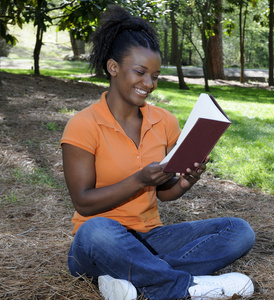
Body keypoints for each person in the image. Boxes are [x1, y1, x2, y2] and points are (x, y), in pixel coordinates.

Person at [60, 5, 255, 300]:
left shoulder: (164, 121)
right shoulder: (83, 125)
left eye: (155, 76)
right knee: (96, 231)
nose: (149, 84)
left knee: (239, 231)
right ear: (113, 68)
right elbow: (84, 203)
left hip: (150, 237)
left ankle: (133, 278)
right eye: (140, 73)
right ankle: (185, 287)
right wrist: (139, 180)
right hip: (98, 243)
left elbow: (164, 193)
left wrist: (187, 181)